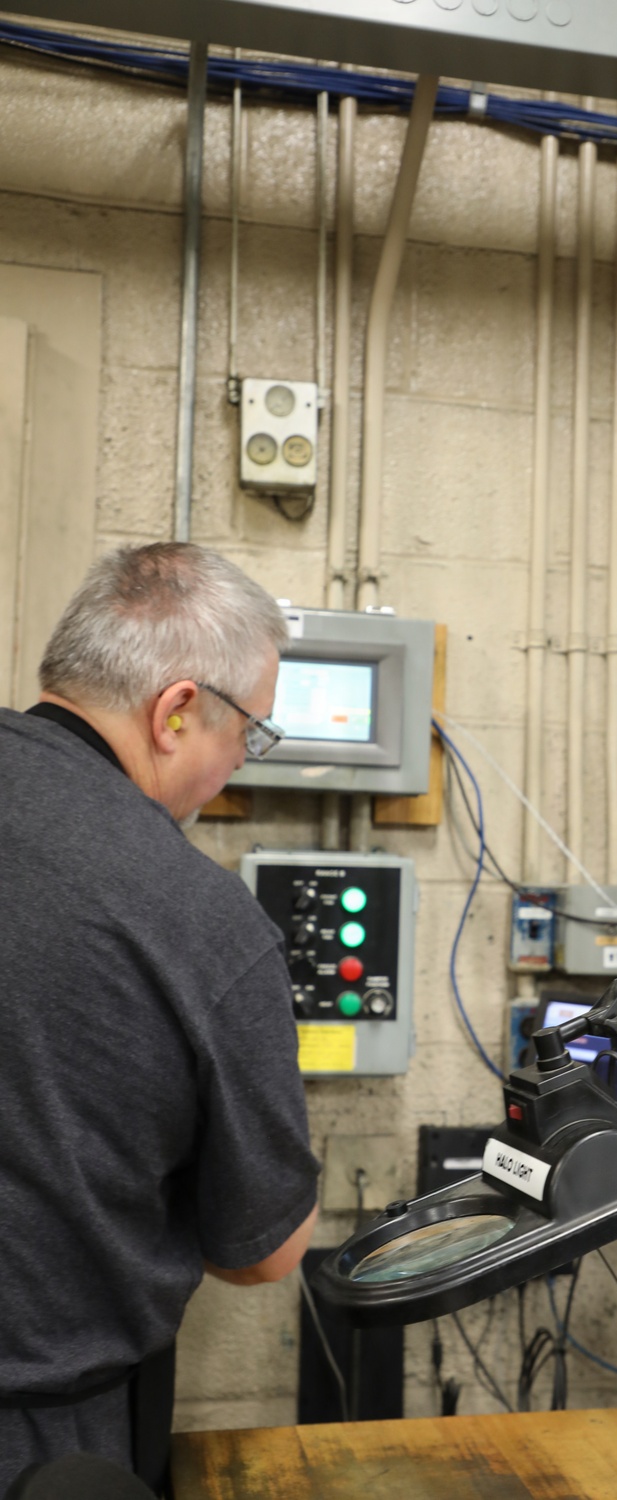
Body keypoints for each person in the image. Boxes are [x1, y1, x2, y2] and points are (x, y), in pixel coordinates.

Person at [0, 543, 320, 1496]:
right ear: (176, 711)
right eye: (248, 733)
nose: (237, 766)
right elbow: (265, 1253)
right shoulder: (202, 922)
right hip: (40, 1440)